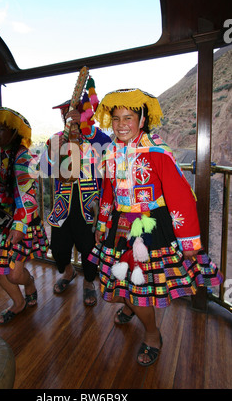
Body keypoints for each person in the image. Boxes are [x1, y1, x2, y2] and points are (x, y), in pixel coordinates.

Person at [88, 88, 223, 366]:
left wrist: (188, 242)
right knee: (118, 279)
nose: (121, 124)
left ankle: (151, 334)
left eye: (128, 117)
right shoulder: (111, 152)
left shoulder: (158, 152)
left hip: (150, 227)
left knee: (139, 289)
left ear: (142, 119)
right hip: (120, 226)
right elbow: (109, 193)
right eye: (116, 119)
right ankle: (130, 307)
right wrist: (103, 222)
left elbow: (180, 196)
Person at [0, 107, 49, 325]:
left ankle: (29, 282)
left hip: (19, 221)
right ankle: (18, 303)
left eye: (1, 129)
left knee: (14, 274)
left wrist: (20, 225)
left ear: (14, 133)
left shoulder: (23, 157)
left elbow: (26, 192)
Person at [41, 80, 111, 305]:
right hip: (63, 203)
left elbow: (110, 167)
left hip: (89, 204)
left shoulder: (99, 138)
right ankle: (68, 271)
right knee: (59, 247)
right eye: (66, 116)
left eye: (73, 115)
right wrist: (56, 152)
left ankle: (89, 281)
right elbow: (45, 168)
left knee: (88, 246)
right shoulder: (55, 139)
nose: (68, 119)